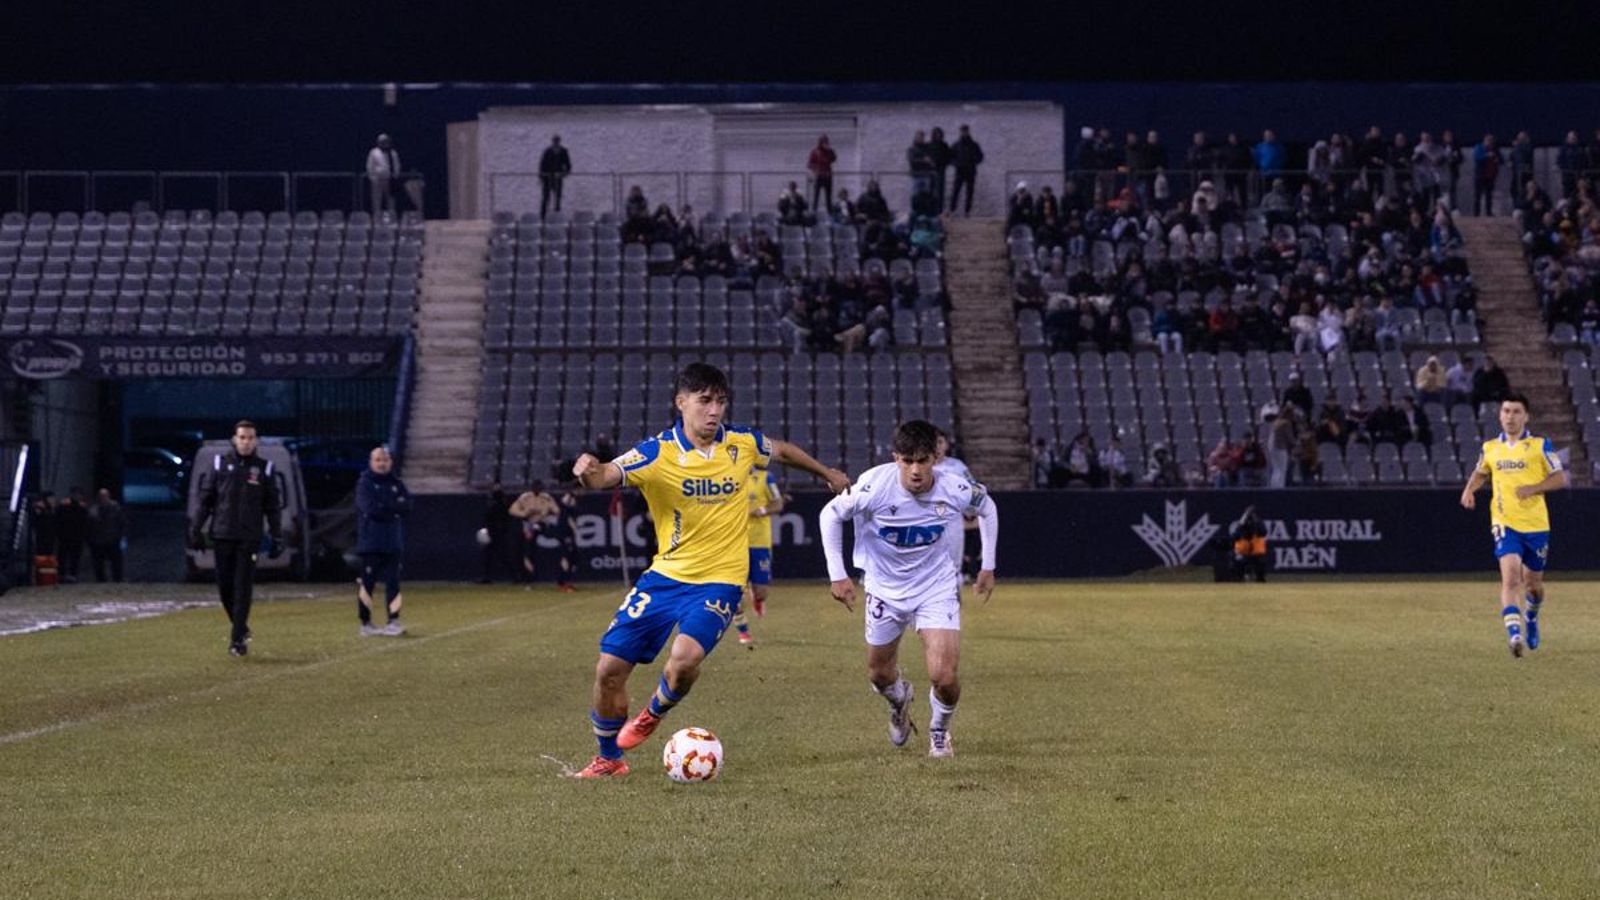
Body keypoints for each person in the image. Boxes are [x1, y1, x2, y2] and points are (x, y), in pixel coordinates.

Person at [567, 362, 850, 778]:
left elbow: (783, 450)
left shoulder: (741, 444)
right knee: (608, 669)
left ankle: (652, 713)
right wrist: (588, 470)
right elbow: (604, 477)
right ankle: (609, 758)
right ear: (681, 403)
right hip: (665, 578)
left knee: (682, 660)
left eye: (720, 401)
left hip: (720, 579)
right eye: (704, 401)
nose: (714, 410)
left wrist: (826, 473)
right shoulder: (657, 452)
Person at [820, 420, 998, 759]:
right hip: (885, 589)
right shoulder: (874, 485)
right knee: (879, 673)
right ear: (895, 458)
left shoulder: (955, 487)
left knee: (944, 676)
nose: (915, 470)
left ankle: (939, 732)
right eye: (907, 460)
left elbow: (988, 508)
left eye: (923, 460)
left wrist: (988, 565)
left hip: (936, 586)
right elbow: (830, 514)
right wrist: (837, 574)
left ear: (936, 458)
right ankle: (899, 701)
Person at [1459, 394, 1568, 657]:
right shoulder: (1490, 448)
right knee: (1510, 578)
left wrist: (1535, 488)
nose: (1510, 416)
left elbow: (1559, 478)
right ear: (1500, 415)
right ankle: (1514, 634)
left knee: (1533, 585)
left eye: (1516, 411)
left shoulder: (1540, 445)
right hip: (1504, 522)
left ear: (1526, 416)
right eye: (1506, 411)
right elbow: (1480, 472)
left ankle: (1531, 615)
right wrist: (1469, 489)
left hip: (1536, 525)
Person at [190, 421, 283, 657]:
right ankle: (241, 627)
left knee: (243, 588)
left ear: (256, 440)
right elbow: (206, 500)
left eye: (250, 438)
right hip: (222, 535)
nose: (246, 442)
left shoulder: (265, 469)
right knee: (225, 588)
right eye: (242, 437)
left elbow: (272, 506)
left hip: (249, 537)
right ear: (234, 439)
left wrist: (276, 535)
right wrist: (195, 529)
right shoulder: (220, 464)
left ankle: (236, 640)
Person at [353, 447, 411, 637]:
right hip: (370, 543)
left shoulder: (397, 483)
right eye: (378, 460)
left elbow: (408, 505)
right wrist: (393, 508)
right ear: (371, 462)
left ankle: (393, 620)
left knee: (394, 583)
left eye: (385, 460)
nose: (382, 463)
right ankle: (365, 623)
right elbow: (369, 508)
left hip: (393, 542)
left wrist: (386, 508)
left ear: (390, 462)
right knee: (367, 583)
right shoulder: (364, 483)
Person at [735, 467, 785, 648]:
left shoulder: (766, 477)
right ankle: (743, 631)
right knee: (734, 593)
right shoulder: (727, 474)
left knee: (762, 592)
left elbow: (778, 503)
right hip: (733, 542)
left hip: (759, 542)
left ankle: (757, 599)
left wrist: (762, 511)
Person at [365, 133, 422, 217]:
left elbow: (397, 165)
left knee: (390, 200)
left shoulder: (392, 153)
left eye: (386, 141)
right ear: (378, 142)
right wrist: (373, 178)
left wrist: (395, 176)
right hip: (377, 180)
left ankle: (391, 218)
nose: (384, 143)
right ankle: (376, 218)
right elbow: (369, 166)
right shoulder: (374, 152)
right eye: (382, 141)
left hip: (390, 180)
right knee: (377, 200)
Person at [86, 488, 125, 583]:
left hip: (113, 540)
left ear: (108, 497)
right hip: (98, 541)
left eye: (105, 496)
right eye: (101, 496)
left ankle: (117, 581)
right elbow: (88, 525)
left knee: (116, 563)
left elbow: (122, 523)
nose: (103, 498)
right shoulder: (93, 509)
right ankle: (101, 581)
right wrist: (90, 540)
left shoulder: (116, 508)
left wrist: (121, 536)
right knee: (98, 564)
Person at [480, 483, 513, 583]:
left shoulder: (501, 505)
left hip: (498, 533)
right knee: (489, 556)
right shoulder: (497, 504)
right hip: (494, 533)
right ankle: (486, 577)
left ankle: (515, 577)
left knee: (503, 556)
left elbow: (493, 519)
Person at [948, 124, 984, 216]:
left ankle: (967, 211)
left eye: (965, 131)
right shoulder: (956, 145)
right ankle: (952, 210)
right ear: (960, 132)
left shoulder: (974, 145)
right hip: (959, 171)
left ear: (968, 131)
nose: (964, 132)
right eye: (962, 131)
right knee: (956, 191)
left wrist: (974, 161)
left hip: (971, 171)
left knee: (969, 192)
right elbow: (950, 157)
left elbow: (980, 156)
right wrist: (956, 164)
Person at [55, 488, 88, 584]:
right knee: (63, 557)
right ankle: (62, 575)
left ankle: (72, 575)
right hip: (65, 536)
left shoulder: (82, 508)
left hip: (77, 537)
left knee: (75, 558)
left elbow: (85, 523)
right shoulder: (64, 506)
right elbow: (58, 520)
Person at [1231, 507, 1268, 582]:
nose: (1250, 518)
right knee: (1238, 562)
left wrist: (1256, 525)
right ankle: (1240, 578)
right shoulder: (1241, 524)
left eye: (1252, 515)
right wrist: (1242, 525)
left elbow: (1263, 532)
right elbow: (1235, 536)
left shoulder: (1258, 522)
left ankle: (1259, 578)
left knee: (1261, 563)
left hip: (1256, 552)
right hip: (1243, 551)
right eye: (1248, 515)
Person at [538, 135, 572, 218]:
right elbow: (542, 165)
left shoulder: (564, 151)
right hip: (547, 178)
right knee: (546, 197)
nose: (556, 142)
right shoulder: (547, 151)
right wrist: (542, 176)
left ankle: (557, 216)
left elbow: (568, 165)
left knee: (557, 198)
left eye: (557, 141)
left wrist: (563, 174)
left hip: (558, 178)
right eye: (554, 141)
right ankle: (543, 216)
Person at [807, 134, 837, 213]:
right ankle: (814, 211)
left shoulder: (830, 151)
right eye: (824, 142)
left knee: (828, 196)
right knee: (816, 195)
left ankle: (829, 211)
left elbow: (834, 159)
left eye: (827, 142)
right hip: (818, 176)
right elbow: (810, 164)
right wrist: (815, 170)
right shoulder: (815, 152)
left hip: (827, 176)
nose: (826, 144)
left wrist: (829, 151)